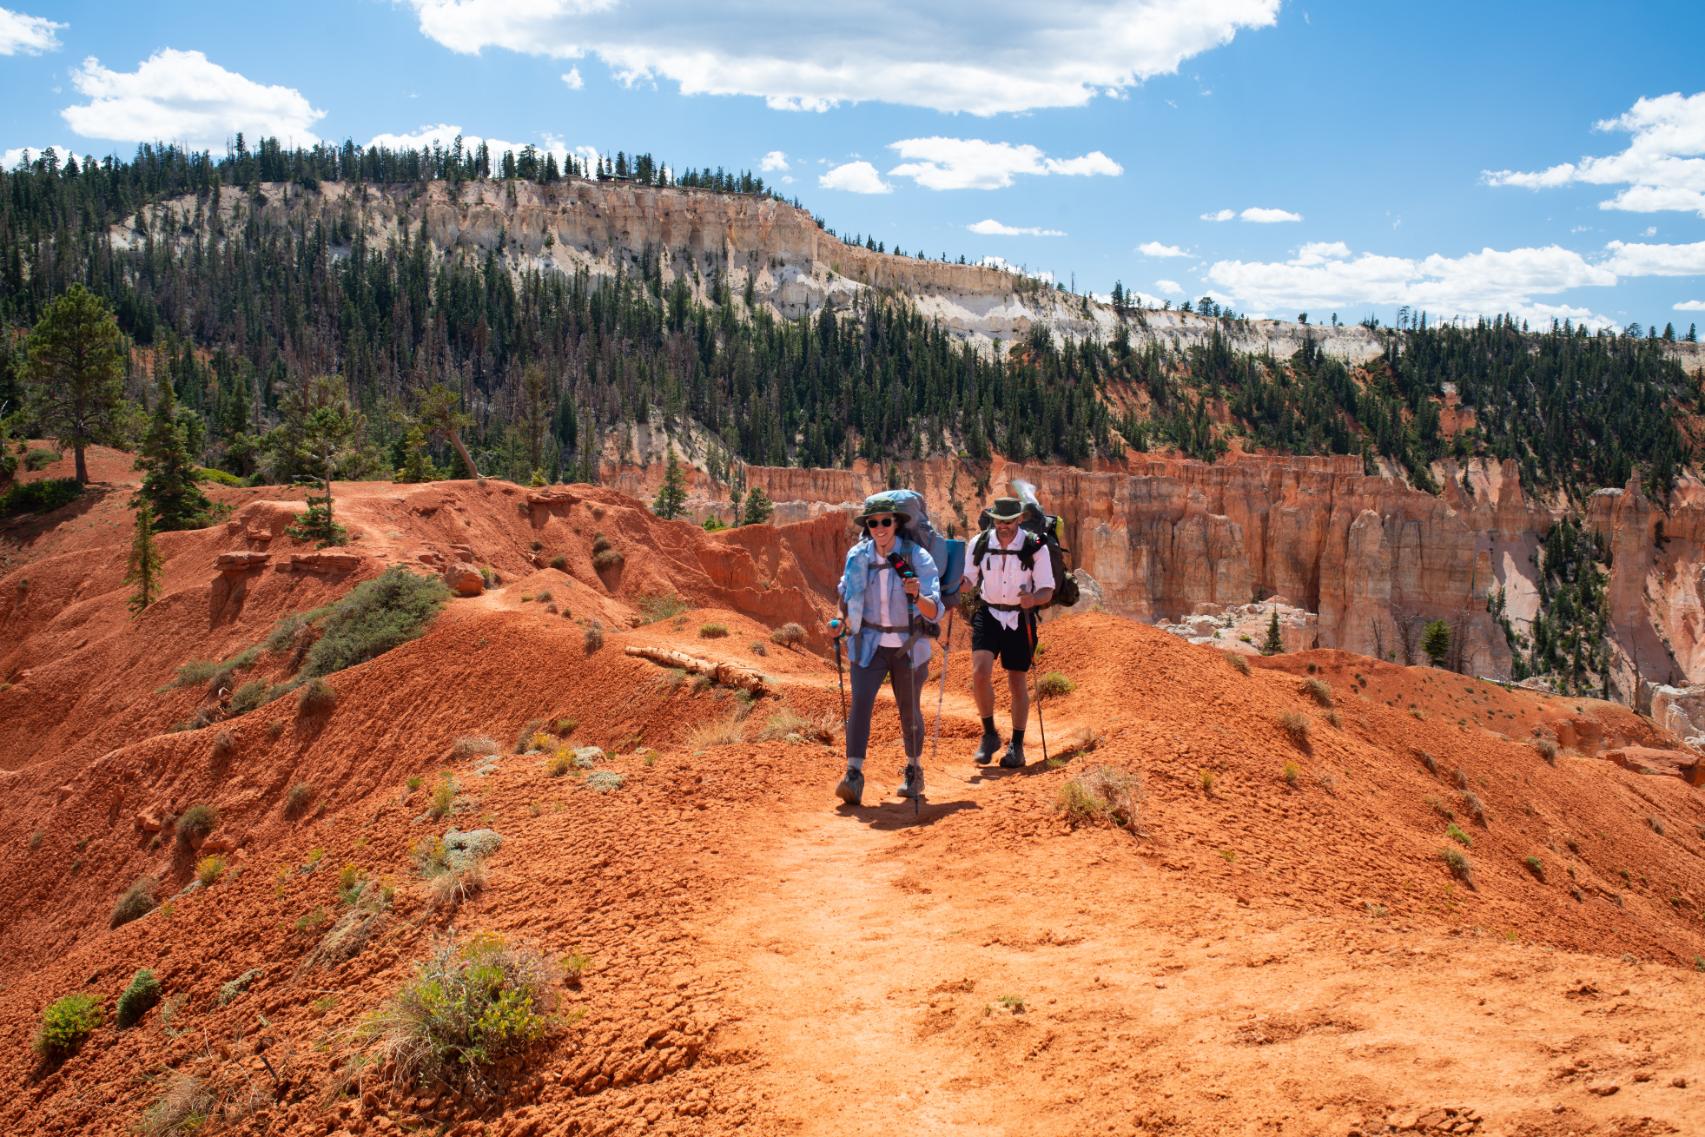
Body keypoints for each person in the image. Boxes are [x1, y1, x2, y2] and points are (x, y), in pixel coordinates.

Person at [829, 491, 942, 806]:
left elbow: (934, 611)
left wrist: (917, 596)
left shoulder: (917, 558)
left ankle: (914, 768)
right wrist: (839, 620)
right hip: (868, 644)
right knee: (861, 705)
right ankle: (853, 774)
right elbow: (844, 595)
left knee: (909, 710)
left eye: (885, 522)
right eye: (873, 522)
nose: (879, 527)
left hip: (908, 646)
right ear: (867, 525)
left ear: (896, 523)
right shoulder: (857, 557)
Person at [963, 496, 1054, 768]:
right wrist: (959, 582)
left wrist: (1033, 600)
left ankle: (1017, 745)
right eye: (999, 521)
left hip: (1019, 616)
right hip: (988, 613)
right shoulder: (979, 544)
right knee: (980, 674)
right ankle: (990, 734)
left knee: (1017, 681)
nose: (1004, 526)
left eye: (1009, 521)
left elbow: (1046, 588)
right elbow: (969, 580)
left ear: (1019, 519)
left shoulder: (1034, 546)